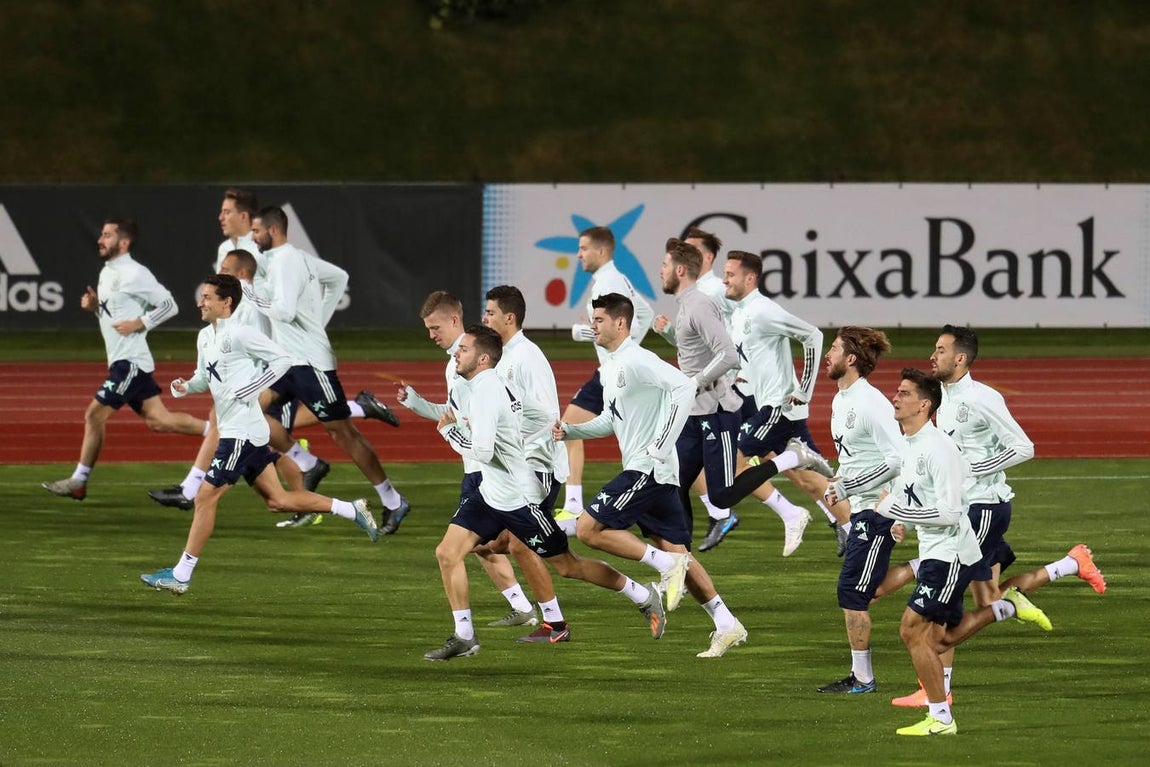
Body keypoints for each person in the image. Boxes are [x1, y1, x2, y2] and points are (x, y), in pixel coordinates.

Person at [426, 325, 668, 661]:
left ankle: (643, 595)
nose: (456, 353)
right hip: (488, 493)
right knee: (447, 553)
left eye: (463, 349)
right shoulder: (485, 385)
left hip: (518, 501)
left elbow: (480, 451)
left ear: (482, 359)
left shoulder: (486, 390)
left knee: (568, 566)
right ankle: (465, 635)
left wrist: (450, 432)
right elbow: (540, 415)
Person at [887, 324, 1095, 707]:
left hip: (981, 509)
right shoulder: (940, 397)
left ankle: (939, 693)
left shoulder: (982, 398)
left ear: (960, 358)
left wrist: (973, 470)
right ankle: (1065, 567)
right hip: (966, 508)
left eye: (940, 350)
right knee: (975, 599)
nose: (932, 356)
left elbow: (1024, 447)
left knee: (942, 607)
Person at [139, 275, 379, 594]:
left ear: (227, 303)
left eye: (208, 297)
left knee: (205, 497)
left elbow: (283, 360)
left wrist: (252, 388)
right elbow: (204, 376)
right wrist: (186, 387)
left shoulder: (240, 333)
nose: (201, 302)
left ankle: (181, 575)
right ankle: (351, 509)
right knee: (278, 501)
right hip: (244, 432)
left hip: (240, 435)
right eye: (202, 296)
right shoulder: (204, 338)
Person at [555, 293, 748, 658]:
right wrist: (571, 431)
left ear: (620, 323)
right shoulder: (611, 367)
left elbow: (684, 387)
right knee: (679, 552)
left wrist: (660, 444)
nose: (592, 326)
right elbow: (611, 421)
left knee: (587, 529)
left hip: (650, 470)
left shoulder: (639, 360)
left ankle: (663, 567)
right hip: (652, 472)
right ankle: (726, 623)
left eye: (599, 320)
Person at [876, 368, 1050, 736]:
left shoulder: (939, 449)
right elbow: (916, 495)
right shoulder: (909, 444)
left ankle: (940, 717)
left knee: (912, 631)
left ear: (924, 405)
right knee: (941, 639)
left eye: (904, 393)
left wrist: (897, 511)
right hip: (936, 548)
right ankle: (1005, 607)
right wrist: (901, 522)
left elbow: (952, 513)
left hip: (950, 553)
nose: (895, 397)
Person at [241, 207, 411, 533]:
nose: (254, 236)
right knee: (250, 408)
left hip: (311, 363)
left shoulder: (289, 260)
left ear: (274, 230)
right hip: (286, 362)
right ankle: (308, 462)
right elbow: (339, 278)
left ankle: (392, 500)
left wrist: (252, 295)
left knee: (342, 434)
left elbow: (286, 312)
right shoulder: (283, 260)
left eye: (257, 230)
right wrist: (317, 319)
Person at [399, 290, 554, 632]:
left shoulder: (501, 360)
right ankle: (523, 609)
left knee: (517, 546)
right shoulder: (456, 365)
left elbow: (536, 415)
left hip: (496, 471)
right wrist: (417, 403)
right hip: (478, 470)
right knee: (482, 546)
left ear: (454, 320)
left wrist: (515, 448)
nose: (431, 335)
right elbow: (455, 414)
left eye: (435, 327)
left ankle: (554, 617)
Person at [42, 218, 208, 500]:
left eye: (107, 235)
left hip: (129, 363)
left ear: (124, 242)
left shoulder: (134, 272)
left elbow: (170, 304)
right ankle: (215, 432)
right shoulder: (108, 272)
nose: (100, 240)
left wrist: (140, 322)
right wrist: (96, 308)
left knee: (94, 415)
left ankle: (79, 480)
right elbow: (115, 318)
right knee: (159, 420)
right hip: (126, 362)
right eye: (101, 235)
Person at [721, 251, 835, 556]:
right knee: (813, 480)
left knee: (732, 467)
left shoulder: (761, 310)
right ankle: (852, 525)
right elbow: (750, 359)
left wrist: (807, 389)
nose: (725, 279)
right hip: (770, 407)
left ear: (749, 278)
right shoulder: (740, 313)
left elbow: (812, 335)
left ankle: (794, 504)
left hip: (779, 407)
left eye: (730, 274)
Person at [811, 328, 904, 695]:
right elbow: (857, 457)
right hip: (862, 508)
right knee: (868, 589)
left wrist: (895, 512)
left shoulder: (870, 403)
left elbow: (898, 460)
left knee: (851, 591)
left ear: (851, 359)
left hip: (878, 511)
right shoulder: (841, 400)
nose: (827, 355)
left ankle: (864, 680)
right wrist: (840, 482)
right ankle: (928, 564)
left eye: (833, 349)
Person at [652, 228, 740, 544]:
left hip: (717, 411)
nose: (659, 270)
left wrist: (697, 383)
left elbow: (728, 354)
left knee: (722, 493)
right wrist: (668, 334)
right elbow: (695, 349)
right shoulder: (686, 304)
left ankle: (790, 458)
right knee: (672, 483)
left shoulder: (699, 303)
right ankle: (681, 559)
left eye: (663, 265)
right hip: (692, 413)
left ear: (679, 270)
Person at [560, 226, 654, 516]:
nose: (579, 255)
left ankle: (574, 506)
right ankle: (715, 507)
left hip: (613, 372)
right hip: (614, 369)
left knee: (568, 429)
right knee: (572, 429)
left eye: (584, 249)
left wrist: (581, 331)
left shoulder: (607, 283)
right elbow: (646, 314)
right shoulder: (616, 278)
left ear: (601, 251)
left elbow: (629, 326)